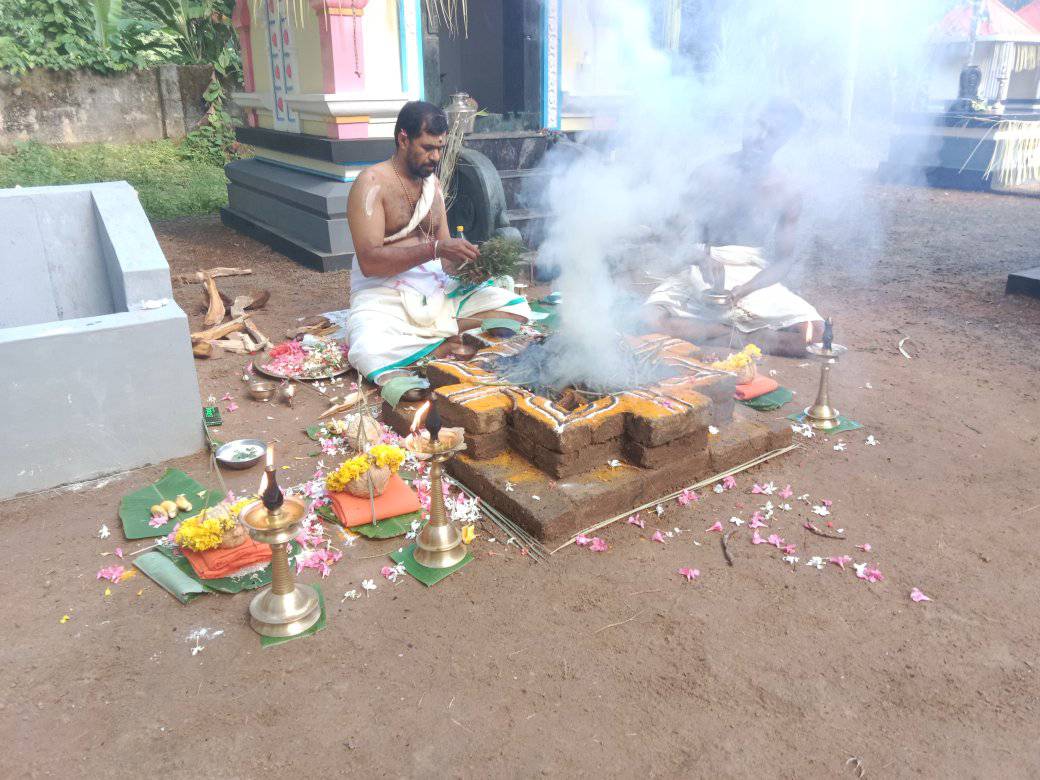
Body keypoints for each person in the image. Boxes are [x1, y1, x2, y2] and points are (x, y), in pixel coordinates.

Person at [345, 101, 531, 399]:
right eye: (428, 147)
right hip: (384, 290)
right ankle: (443, 341)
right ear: (403, 139)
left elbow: (445, 262)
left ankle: (437, 340)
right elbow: (370, 262)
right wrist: (435, 249)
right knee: (368, 349)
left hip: (435, 287)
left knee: (514, 307)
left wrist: (469, 267)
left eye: (440, 148)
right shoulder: (371, 184)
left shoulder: (433, 187)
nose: (435, 157)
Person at [643, 98, 823, 357]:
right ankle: (740, 336)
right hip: (701, 269)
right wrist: (699, 258)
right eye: (757, 126)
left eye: (773, 133)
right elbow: (670, 232)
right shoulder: (708, 173)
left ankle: (717, 333)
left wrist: (745, 289)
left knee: (814, 332)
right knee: (649, 318)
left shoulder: (787, 189)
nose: (760, 138)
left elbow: (783, 261)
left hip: (751, 276)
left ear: (785, 140)